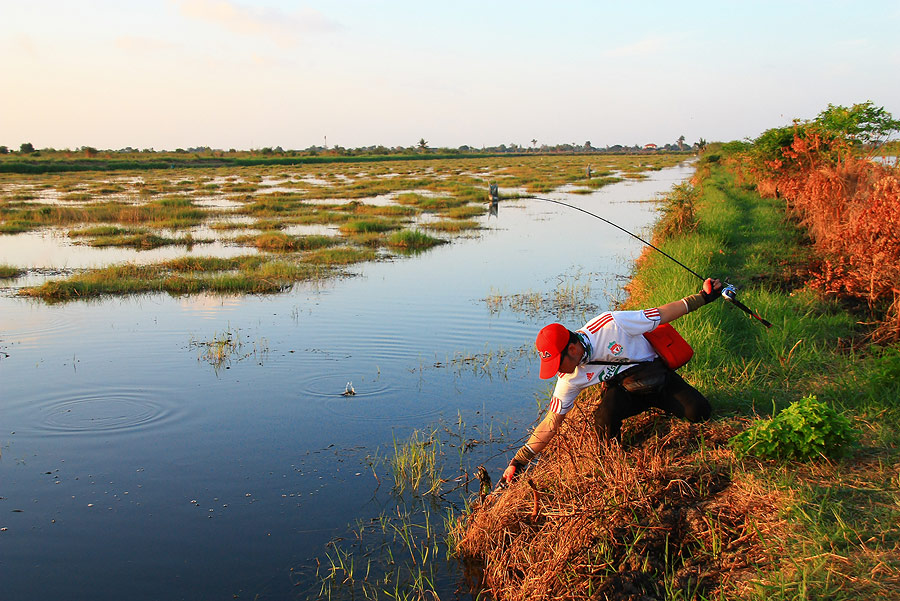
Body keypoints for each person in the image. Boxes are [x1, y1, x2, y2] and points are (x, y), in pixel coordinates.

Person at [502, 278, 723, 483]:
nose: (558, 371)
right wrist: (518, 461)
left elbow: (661, 314)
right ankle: (617, 467)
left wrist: (702, 297)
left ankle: (663, 406)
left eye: (558, 363)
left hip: (657, 378)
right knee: (604, 418)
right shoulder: (569, 378)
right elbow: (551, 422)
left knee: (700, 413)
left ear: (572, 349)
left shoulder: (610, 324)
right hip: (626, 392)